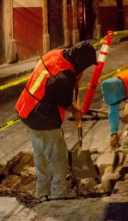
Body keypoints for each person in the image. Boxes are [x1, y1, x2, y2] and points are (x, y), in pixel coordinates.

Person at [15, 41, 97, 201]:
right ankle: (59, 194)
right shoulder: (64, 76)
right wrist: (76, 112)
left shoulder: (56, 54)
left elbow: (49, 73)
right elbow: (65, 102)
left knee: (41, 154)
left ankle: (42, 192)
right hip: (42, 118)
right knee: (57, 156)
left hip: (26, 109)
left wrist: (75, 77)